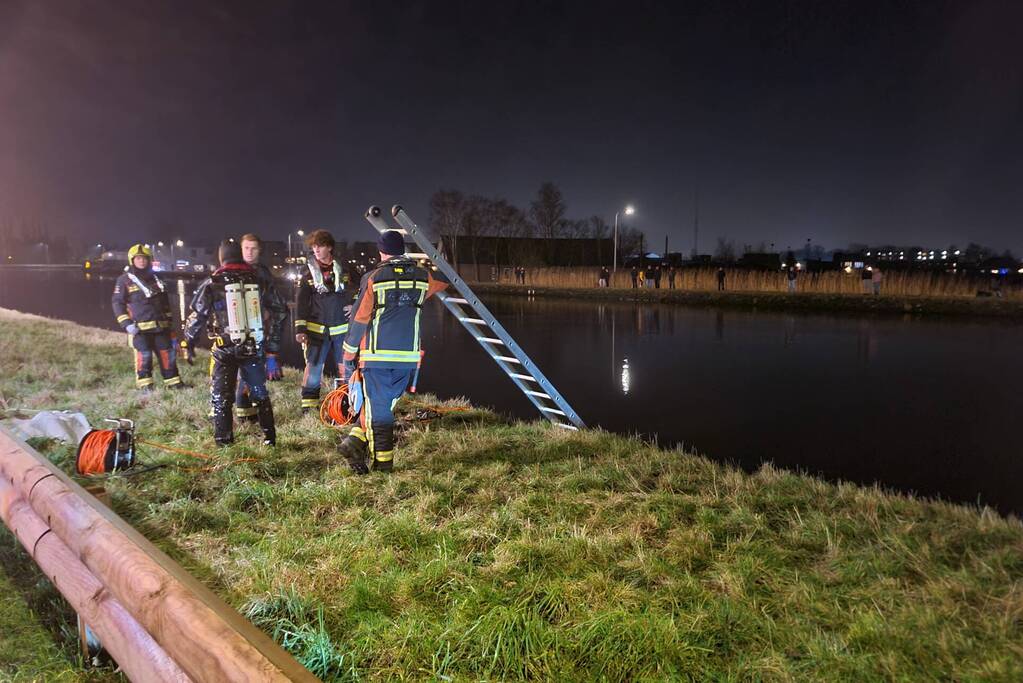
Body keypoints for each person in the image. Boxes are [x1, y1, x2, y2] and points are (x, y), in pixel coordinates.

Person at [338, 230, 449, 474]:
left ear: (381, 252)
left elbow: (359, 319)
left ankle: (383, 466)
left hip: (376, 357)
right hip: (407, 358)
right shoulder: (423, 277)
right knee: (382, 405)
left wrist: (348, 355)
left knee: (379, 412)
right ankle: (354, 442)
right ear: (403, 250)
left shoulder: (373, 278)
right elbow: (445, 278)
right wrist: (436, 257)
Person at [183, 240, 276, 446]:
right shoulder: (258, 279)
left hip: (224, 348)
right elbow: (278, 310)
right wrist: (272, 345)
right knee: (260, 394)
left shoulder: (212, 282)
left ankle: (224, 443)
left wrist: (188, 342)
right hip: (252, 346)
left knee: (221, 397)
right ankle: (270, 439)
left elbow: (198, 315)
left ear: (221, 257)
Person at [111, 244, 184, 392]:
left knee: (168, 355)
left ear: (149, 260)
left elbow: (166, 304)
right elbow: (117, 303)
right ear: (132, 260)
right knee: (144, 357)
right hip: (139, 329)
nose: (141, 261)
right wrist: (126, 324)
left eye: (144, 258)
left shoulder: (158, 279)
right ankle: (145, 387)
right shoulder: (124, 280)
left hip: (161, 327)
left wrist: (171, 326)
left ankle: (174, 384)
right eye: (138, 258)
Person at [234, 233, 288, 422]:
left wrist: (272, 351)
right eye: (246, 248)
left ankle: (245, 415)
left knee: (250, 375)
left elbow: (279, 310)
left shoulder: (263, 275)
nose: (249, 252)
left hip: (255, 333)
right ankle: (225, 414)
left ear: (259, 250)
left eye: (253, 248)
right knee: (227, 376)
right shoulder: (230, 270)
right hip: (230, 334)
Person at [295, 229, 350, 413]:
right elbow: (301, 302)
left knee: (345, 369)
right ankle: (309, 408)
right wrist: (300, 329)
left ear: (330, 247)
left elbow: (361, 288)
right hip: (317, 331)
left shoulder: (344, 269)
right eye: (314, 247)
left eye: (320, 246)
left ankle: (343, 406)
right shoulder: (307, 272)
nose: (316, 250)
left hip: (342, 330)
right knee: (314, 368)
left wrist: (354, 305)